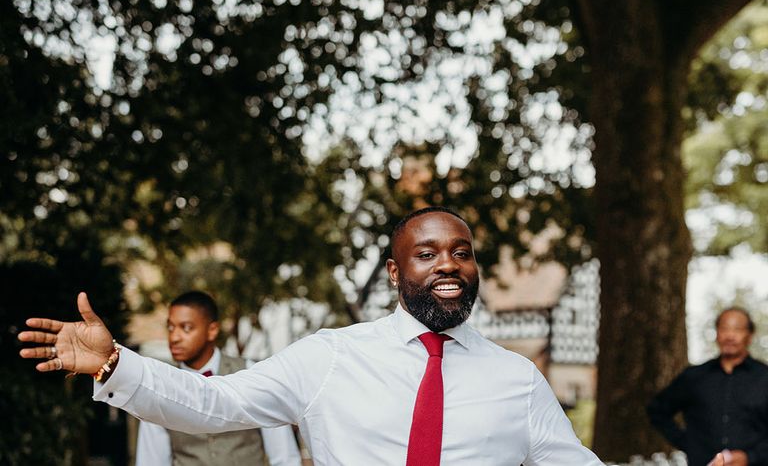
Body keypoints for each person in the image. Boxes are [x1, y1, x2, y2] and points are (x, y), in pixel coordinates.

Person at [21, 206, 603, 465]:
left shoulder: (518, 380)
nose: (448, 265)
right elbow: (214, 402)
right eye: (426, 254)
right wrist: (114, 363)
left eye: (462, 253)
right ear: (396, 273)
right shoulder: (331, 357)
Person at [135, 290, 301, 466]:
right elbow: (151, 460)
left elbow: (284, 456)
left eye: (186, 328)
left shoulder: (250, 373)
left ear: (212, 330)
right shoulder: (161, 387)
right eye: (170, 327)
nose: (174, 337)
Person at [647, 307, 768, 466]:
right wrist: (688, 444)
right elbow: (657, 410)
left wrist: (750, 457)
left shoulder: (764, 377)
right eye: (724, 328)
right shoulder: (694, 377)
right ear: (717, 333)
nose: (730, 336)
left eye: (737, 329)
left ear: (749, 335)